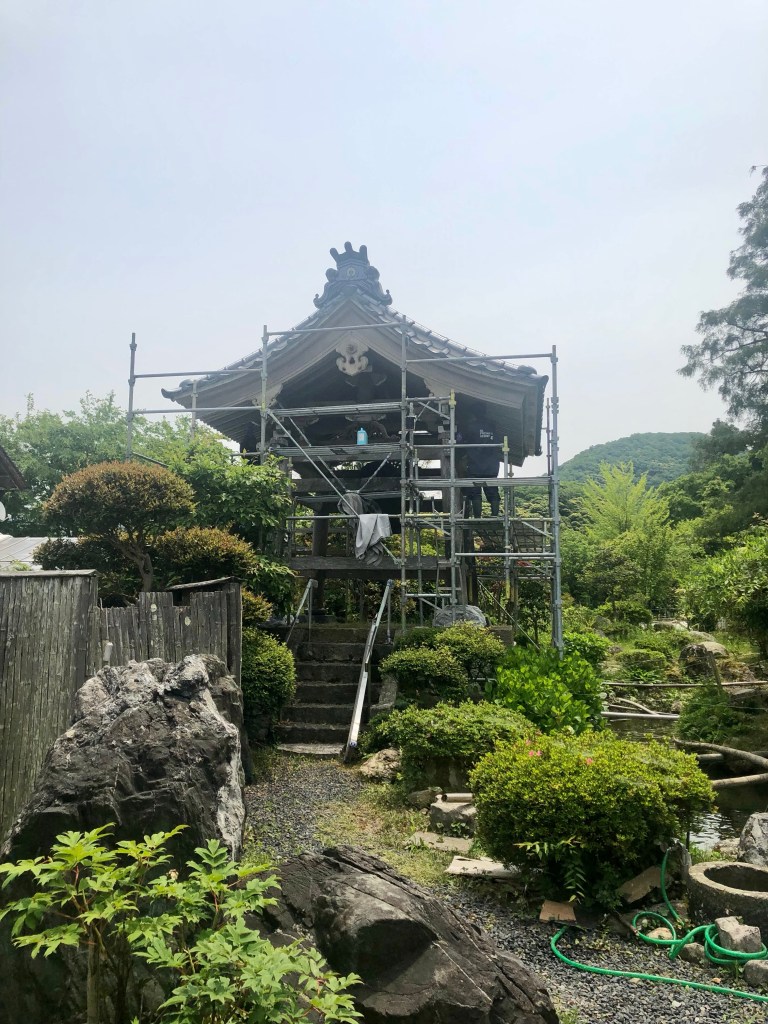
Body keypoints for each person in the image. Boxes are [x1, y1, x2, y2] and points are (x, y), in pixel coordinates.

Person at [459, 410, 502, 518]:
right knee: (492, 490)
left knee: (475, 492)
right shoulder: (492, 426)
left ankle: (477, 517)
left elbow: (460, 439)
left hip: (475, 464)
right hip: (491, 466)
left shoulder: (470, 427)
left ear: (473, 414)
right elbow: (498, 443)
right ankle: (494, 515)